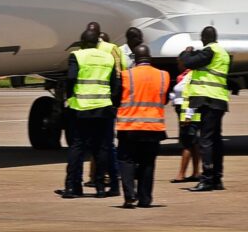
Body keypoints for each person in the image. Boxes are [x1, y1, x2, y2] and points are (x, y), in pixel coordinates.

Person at [56, 27, 120, 199]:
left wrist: (70, 97)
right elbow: (115, 82)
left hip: (81, 108)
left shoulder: (77, 56)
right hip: (103, 108)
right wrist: (112, 102)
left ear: (82, 43)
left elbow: (70, 78)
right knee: (101, 148)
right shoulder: (108, 57)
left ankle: (73, 187)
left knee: (77, 147)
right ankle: (100, 187)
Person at [116, 44, 170, 209]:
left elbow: (117, 98)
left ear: (135, 59)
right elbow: (164, 99)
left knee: (126, 161)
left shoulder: (126, 75)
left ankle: (129, 196)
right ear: (150, 58)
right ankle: (145, 198)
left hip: (129, 126)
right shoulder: (163, 75)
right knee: (148, 163)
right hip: (153, 127)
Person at [180, 26, 229, 192]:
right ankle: (216, 178)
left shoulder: (210, 51)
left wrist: (186, 52)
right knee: (216, 140)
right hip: (219, 100)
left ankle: (207, 179)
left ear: (204, 38)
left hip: (208, 100)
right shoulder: (222, 53)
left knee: (206, 140)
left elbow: (188, 62)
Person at [169, 55, 201, 184]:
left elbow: (192, 96)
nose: (178, 65)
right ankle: (196, 172)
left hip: (188, 114)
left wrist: (188, 115)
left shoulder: (191, 76)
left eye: (179, 62)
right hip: (185, 113)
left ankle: (181, 174)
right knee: (192, 143)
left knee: (186, 143)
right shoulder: (185, 76)